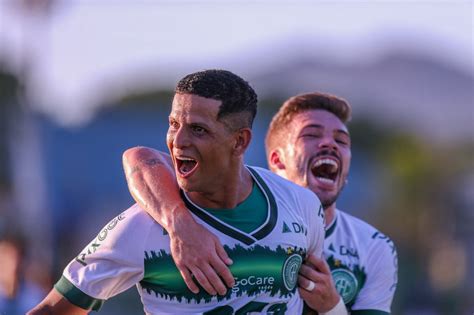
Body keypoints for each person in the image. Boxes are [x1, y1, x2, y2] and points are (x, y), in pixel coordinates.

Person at [27, 70, 328, 315]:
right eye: (173, 124)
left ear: (240, 142)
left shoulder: (300, 205)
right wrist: (180, 226)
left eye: (198, 129)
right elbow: (53, 310)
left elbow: (314, 303)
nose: (178, 141)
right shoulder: (141, 228)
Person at [122, 92, 398, 314]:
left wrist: (332, 307)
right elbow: (142, 159)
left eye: (341, 140)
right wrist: (180, 226)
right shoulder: (224, 211)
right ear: (277, 161)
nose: (330, 145)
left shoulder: (373, 246)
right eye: (311, 135)